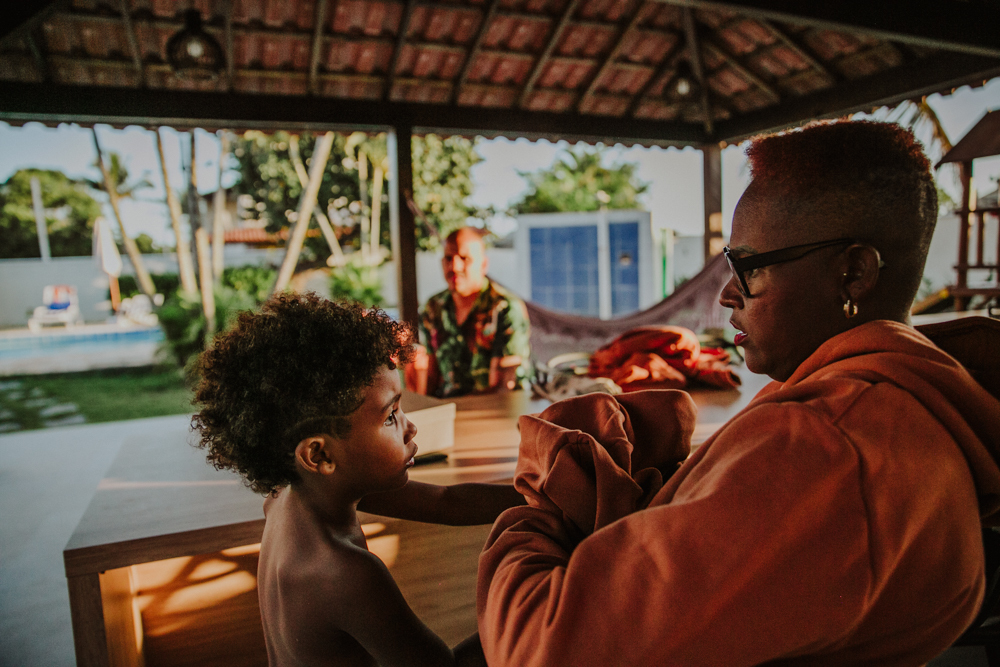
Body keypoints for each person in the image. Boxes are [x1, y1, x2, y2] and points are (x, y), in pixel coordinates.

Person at [476, 120, 1000, 666]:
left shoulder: (825, 447)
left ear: (852, 273)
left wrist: (541, 499)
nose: (727, 293)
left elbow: (539, 650)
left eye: (747, 267)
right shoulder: (899, 404)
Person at [191, 293, 524, 667]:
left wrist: (542, 498)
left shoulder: (295, 493)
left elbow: (445, 500)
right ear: (319, 455)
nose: (411, 428)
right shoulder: (345, 574)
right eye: (390, 416)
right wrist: (536, 608)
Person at [408, 226, 533, 397]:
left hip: (496, 408)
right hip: (447, 407)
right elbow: (430, 377)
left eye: (464, 258)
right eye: (448, 258)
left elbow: (504, 387)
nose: (454, 266)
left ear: (483, 264)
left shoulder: (505, 307)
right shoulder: (433, 307)